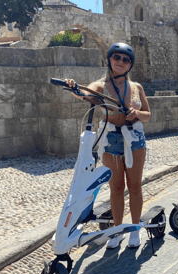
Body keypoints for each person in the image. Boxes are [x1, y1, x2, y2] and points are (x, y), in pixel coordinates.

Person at [64, 43, 151, 249]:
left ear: (130, 64)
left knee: (135, 186)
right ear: (109, 60)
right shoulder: (101, 86)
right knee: (116, 188)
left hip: (135, 139)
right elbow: (85, 93)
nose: (120, 62)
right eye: (117, 58)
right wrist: (73, 88)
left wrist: (137, 113)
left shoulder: (137, 87)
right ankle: (117, 231)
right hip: (110, 140)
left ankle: (135, 229)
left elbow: (147, 114)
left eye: (125, 59)